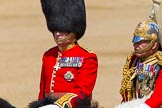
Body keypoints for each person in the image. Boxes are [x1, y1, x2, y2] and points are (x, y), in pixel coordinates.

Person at [37, 0, 98, 108]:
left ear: (73, 31)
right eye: (55, 30)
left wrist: (60, 105)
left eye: (62, 30)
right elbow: (42, 91)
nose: (57, 34)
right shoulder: (48, 55)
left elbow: (83, 92)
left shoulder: (87, 57)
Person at [117, 0, 162, 108]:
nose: (136, 45)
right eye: (135, 41)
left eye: (141, 42)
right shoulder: (133, 60)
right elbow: (128, 88)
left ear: (154, 44)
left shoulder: (160, 61)